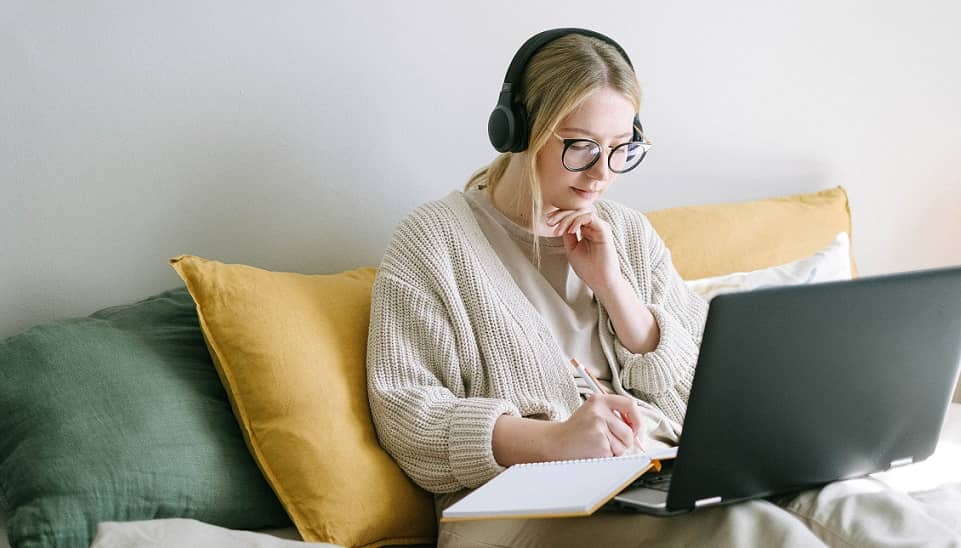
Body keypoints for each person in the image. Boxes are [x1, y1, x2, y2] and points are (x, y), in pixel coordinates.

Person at [366, 28, 961, 547]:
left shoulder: (625, 232)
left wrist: (617, 290)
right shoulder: (433, 241)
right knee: (758, 533)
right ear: (519, 131)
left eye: (621, 150)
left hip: (658, 471)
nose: (602, 174)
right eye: (580, 147)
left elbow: (702, 392)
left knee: (856, 507)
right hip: (514, 507)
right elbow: (409, 418)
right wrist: (553, 440)